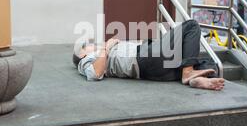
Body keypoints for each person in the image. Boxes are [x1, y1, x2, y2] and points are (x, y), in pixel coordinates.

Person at [73, 20, 225, 91]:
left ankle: (194, 79)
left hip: (153, 68)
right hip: (143, 59)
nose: (95, 43)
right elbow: (95, 73)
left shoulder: (103, 52)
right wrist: (106, 47)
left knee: (209, 65)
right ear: (82, 52)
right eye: (90, 44)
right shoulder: (86, 60)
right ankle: (188, 73)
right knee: (191, 26)